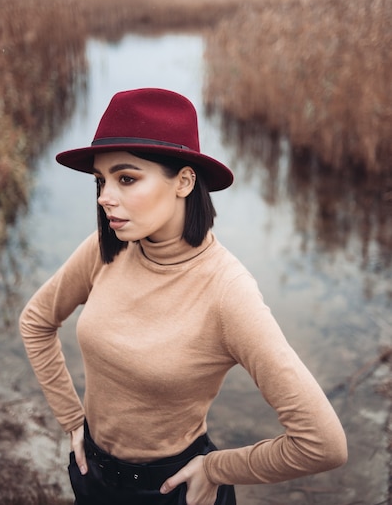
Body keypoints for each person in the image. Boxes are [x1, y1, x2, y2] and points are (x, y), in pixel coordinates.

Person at [19, 87, 347, 505]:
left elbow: (322, 443)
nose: (104, 197)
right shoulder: (106, 248)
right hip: (93, 477)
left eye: (126, 178)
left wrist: (217, 467)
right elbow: (36, 322)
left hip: (174, 491)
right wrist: (71, 418)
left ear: (185, 181)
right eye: (101, 181)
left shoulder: (227, 291)